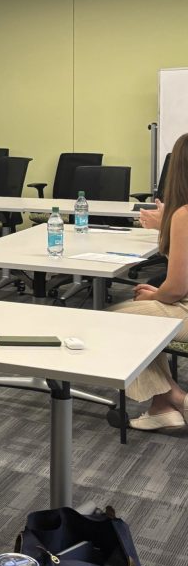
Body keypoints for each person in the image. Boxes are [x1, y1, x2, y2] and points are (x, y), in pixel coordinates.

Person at [107, 132, 188, 431]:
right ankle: (161, 407)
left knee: (116, 318)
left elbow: (178, 287)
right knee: (140, 312)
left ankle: (175, 398)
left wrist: (158, 296)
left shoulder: (184, 214)